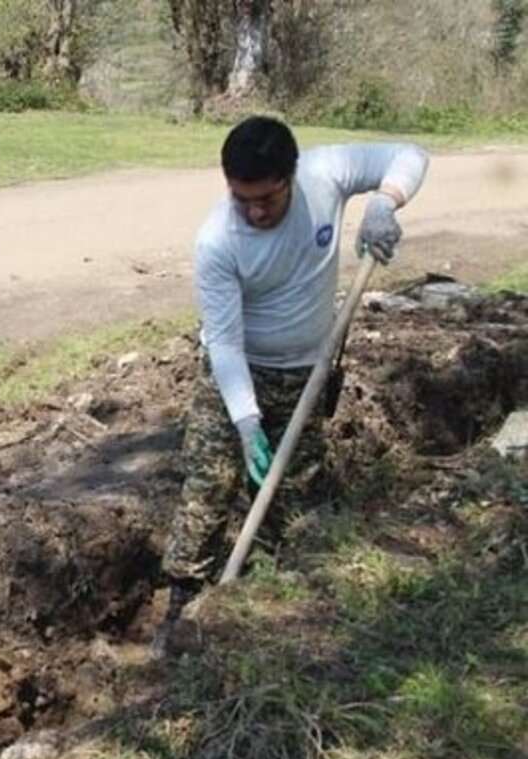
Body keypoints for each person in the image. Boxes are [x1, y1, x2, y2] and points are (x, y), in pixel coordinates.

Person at [150, 116, 429, 658]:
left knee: (292, 496)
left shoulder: (327, 172)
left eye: (267, 199)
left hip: (307, 372)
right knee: (209, 488)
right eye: (241, 198)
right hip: (237, 374)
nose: (255, 211)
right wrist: (247, 421)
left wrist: (384, 203)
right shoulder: (217, 241)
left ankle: (270, 605)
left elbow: (411, 154)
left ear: (291, 177)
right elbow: (225, 344)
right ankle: (182, 608)